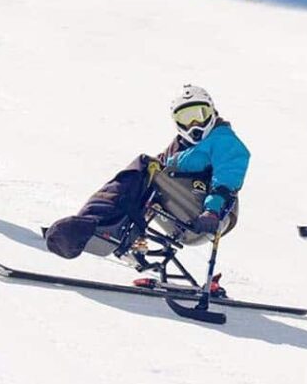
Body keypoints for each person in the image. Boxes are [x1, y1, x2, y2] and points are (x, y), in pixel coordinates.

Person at [45, 85, 250, 259]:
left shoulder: (223, 139)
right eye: (186, 118)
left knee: (143, 167)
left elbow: (227, 176)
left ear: (212, 112)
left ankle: (92, 223)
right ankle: (105, 227)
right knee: (146, 173)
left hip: (207, 215)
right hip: (185, 210)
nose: (194, 124)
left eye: (199, 115)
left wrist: (212, 210)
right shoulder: (181, 146)